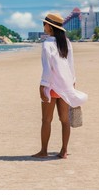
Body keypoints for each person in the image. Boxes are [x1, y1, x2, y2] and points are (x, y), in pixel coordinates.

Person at [32, 13, 88, 159]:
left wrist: (42, 87)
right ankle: (64, 151)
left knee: (46, 120)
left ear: (49, 27)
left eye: (44, 24)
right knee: (65, 120)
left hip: (51, 86)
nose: (43, 26)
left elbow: (47, 69)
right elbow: (71, 65)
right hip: (65, 86)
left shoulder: (47, 44)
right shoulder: (66, 42)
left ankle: (44, 151)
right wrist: (72, 83)